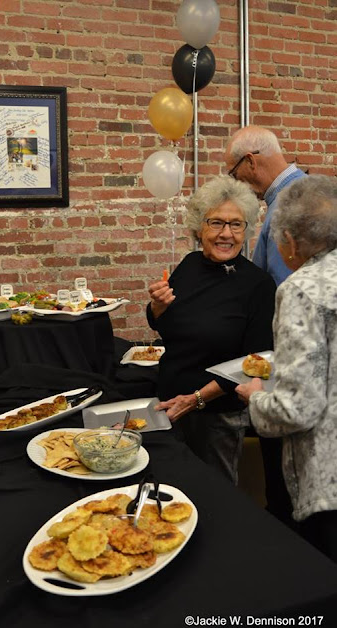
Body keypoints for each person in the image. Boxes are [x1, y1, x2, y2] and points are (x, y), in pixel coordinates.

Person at [147, 175, 276, 485]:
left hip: (217, 416)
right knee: (171, 491)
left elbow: (255, 362)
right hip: (169, 404)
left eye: (236, 224)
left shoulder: (258, 285)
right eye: (216, 222)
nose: (226, 234)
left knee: (214, 495)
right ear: (199, 227)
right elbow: (165, 325)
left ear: (246, 230)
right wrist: (157, 307)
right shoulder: (189, 265)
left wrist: (195, 399)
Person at [236, 175, 337, 562]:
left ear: (291, 242)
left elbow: (297, 409)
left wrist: (256, 398)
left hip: (328, 487)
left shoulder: (302, 289)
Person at [224, 125, 306, 286]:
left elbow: (283, 287)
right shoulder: (307, 190)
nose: (236, 182)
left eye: (234, 174)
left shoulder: (287, 206)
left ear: (250, 161)